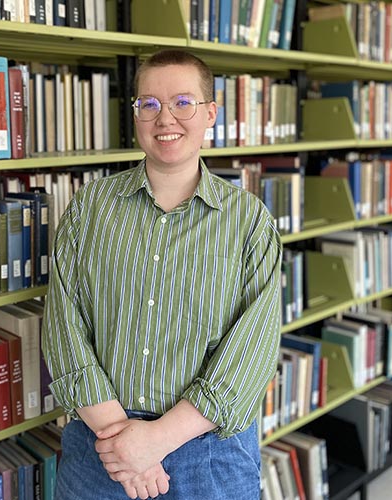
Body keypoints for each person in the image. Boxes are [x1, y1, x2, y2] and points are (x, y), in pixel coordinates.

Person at [42, 49, 282, 500]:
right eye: (148, 104)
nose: (164, 117)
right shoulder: (89, 209)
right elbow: (63, 327)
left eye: (183, 102)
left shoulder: (250, 222)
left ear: (211, 113)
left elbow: (254, 349)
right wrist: (124, 442)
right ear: (135, 114)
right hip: (101, 446)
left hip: (210, 452)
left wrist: (155, 440)